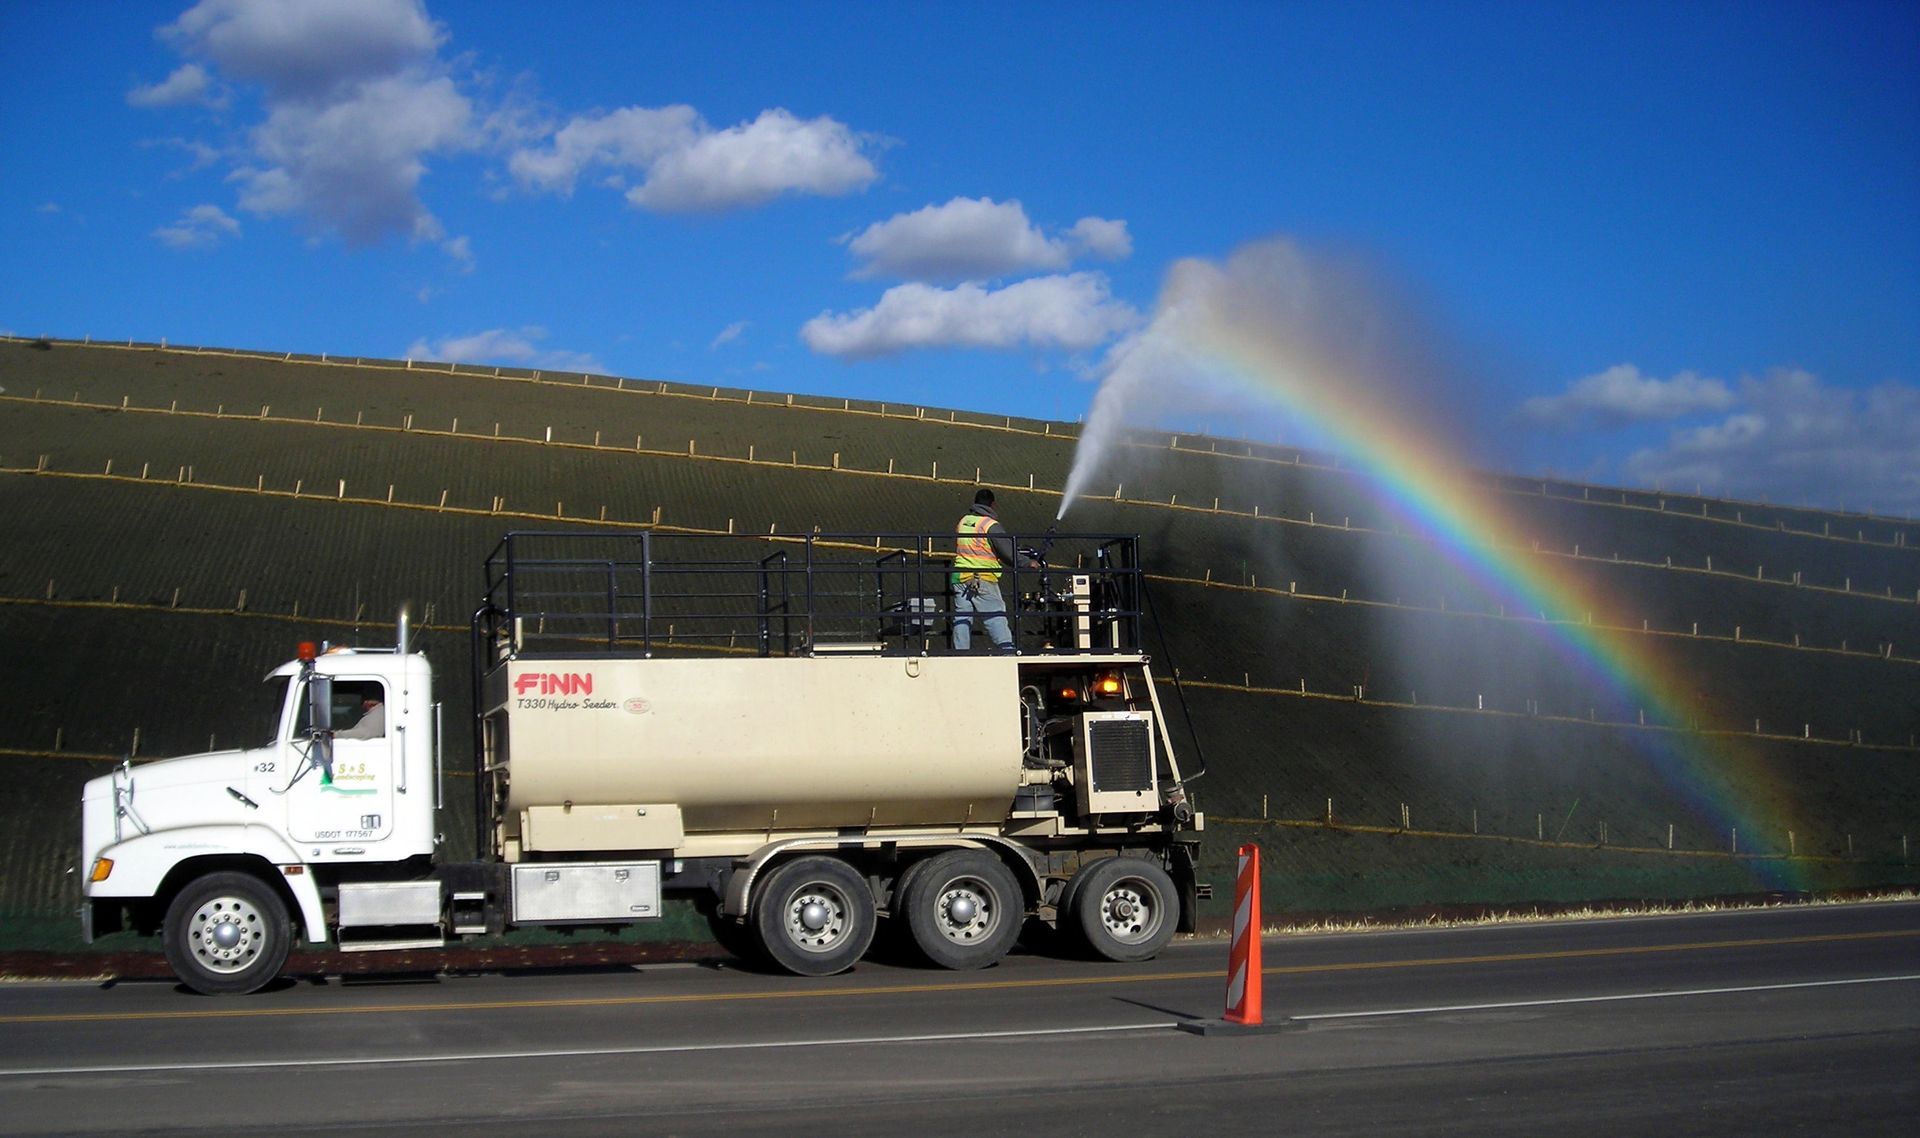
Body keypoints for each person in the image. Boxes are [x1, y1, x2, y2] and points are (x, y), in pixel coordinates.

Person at [951, 489, 1035, 654]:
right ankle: (1007, 651)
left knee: (962, 618)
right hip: (982, 578)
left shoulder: (964, 521)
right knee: (995, 615)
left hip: (960, 577)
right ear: (993, 504)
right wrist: (1028, 562)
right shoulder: (990, 525)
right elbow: (1007, 553)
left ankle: (960, 654)